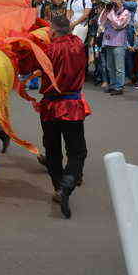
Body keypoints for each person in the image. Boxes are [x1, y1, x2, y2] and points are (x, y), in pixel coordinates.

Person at [34, 15, 90, 220]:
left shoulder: (47, 50)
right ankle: (67, 184)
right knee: (77, 152)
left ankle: (60, 186)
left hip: (51, 106)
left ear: (54, 31)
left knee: (53, 150)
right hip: (72, 106)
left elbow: (29, 65)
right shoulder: (79, 44)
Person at [99, 0, 130, 96]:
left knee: (119, 67)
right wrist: (106, 10)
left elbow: (118, 24)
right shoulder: (110, 10)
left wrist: (111, 13)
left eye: (116, 1)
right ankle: (112, 85)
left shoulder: (126, 12)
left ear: (121, 1)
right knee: (110, 66)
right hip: (108, 41)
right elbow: (101, 22)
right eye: (113, 1)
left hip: (118, 42)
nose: (114, 3)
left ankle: (119, 86)